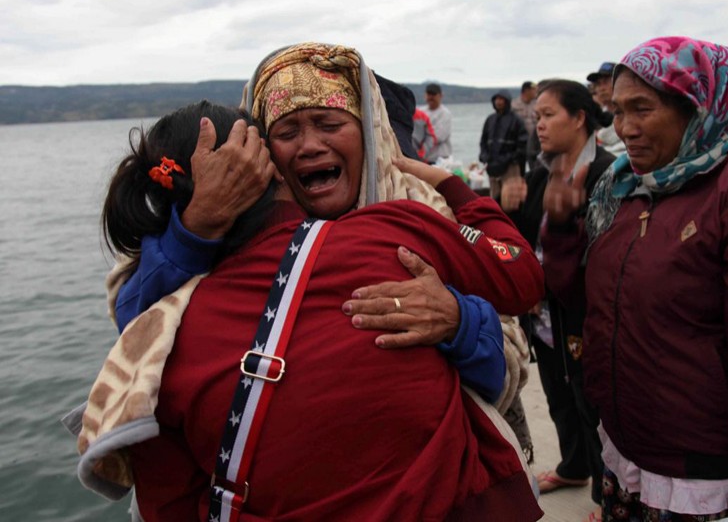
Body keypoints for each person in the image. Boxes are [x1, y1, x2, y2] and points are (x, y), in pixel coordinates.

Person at [77, 43, 545, 522]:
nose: (309, 146)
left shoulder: (418, 211)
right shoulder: (208, 239)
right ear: (260, 158)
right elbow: (137, 316)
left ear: (371, 134)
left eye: (329, 123)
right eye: (286, 131)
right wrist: (199, 226)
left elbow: (507, 351)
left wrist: (458, 319)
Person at [542, 36, 728, 521]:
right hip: (627, 456)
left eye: (642, 109)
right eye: (618, 110)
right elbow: (585, 304)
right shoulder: (624, 188)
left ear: (700, 109)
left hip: (702, 474)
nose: (624, 129)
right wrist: (562, 227)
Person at [501, 79, 615, 521]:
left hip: (584, 314)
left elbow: (602, 256)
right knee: (557, 394)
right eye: (538, 116)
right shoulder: (540, 171)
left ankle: (610, 497)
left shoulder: (606, 172)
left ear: (580, 117)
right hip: (545, 314)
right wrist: (507, 208)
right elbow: (523, 241)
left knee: (595, 404)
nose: (539, 125)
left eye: (548, 115)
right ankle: (574, 466)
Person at [479, 89, 528, 199]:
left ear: (507, 101)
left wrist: (508, 158)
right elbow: (483, 141)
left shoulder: (516, 120)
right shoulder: (490, 119)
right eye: (496, 99)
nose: (498, 102)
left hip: (510, 166)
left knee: (511, 200)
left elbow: (522, 144)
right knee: (494, 197)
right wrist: (484, 156)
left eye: (501, 99)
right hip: (492, 166)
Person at [587, 62, 624, 155]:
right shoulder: (595, 116)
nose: (601, 88)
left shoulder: (632, 115)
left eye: (606, 82)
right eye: (598, 84)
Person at [417, 82, 452, 163]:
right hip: (422, 160)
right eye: (429, 94)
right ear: (425, 95)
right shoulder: (420, 111)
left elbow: (437, 136)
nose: (431, 97)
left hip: (440, 160)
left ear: (440, 96)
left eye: (434, 94)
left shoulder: (445, 114)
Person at [511, 81, 539, 170]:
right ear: (526, 91)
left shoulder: (537, 104)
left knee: (535, 168)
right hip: (519, 143)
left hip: (535, 142)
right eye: (534, 90)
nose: (536, 92)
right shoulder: (513, 105)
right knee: (519, 170)